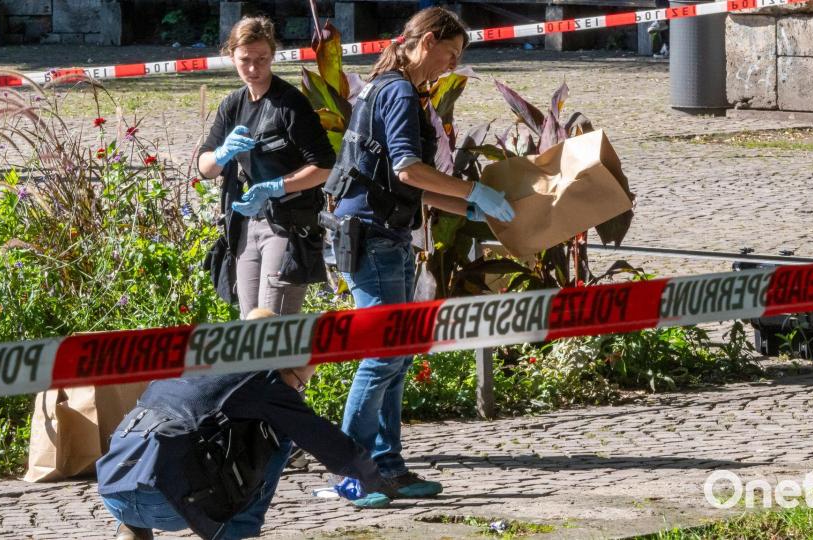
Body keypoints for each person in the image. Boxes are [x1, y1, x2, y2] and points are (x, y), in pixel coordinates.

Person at [323, 7, 516, 497]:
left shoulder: (386, 86)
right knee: (384, 354)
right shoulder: (400, 92)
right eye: (449, 55)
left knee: (397, 353)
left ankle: (387, 465)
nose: (449, 67)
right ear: (427, 41)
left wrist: (463, 205)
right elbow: (410, 169)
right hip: (375, 238)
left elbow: (401, 183)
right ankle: (354, 471)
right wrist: (473, 191)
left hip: (378, 232)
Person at [97, 309, 395, 540]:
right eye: (301, 383)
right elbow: (327, 443)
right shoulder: (264, 378)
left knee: (158, 444)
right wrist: (376, 479)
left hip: (113, 486)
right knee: (281, 436)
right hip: (167, 503)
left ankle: (131, 529)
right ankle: (236, 533)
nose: (299, 391)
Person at [198, 16, 335, 319]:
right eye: (245, 60)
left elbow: (325, 166)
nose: (253, 68)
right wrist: (221, 154)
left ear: (273, 55)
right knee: (251, 324)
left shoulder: (290, 104)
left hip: (287, 224)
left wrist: (275, 186)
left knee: (272, 325)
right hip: (247, 223)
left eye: (262, 59)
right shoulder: (233, 104)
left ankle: (285, 369)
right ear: (231, 55)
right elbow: (204, 167)